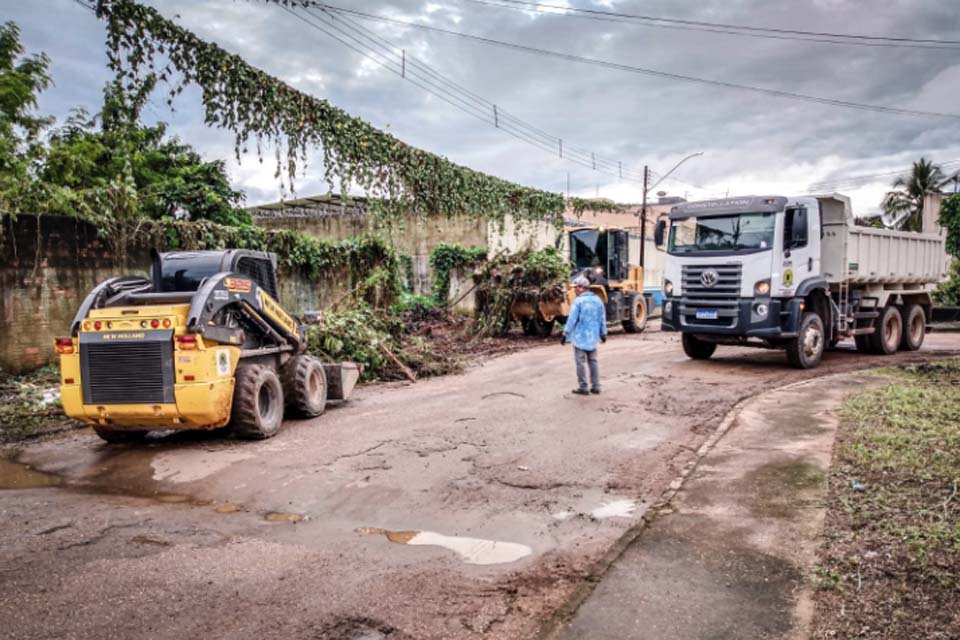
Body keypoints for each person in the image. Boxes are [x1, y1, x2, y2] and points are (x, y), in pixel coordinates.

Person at [561, 274, 607, 395]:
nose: (574, 290)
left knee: (580, 362)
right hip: (593, 338)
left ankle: (583, 387)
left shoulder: (578, 301)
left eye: (575, 287)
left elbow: (572, 319)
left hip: (580, 338)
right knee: (593, 361)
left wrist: (565, 333)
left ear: (582, 288)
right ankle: (596, 386)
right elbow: (602, 318)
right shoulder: (598, 300)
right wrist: (603, 333)